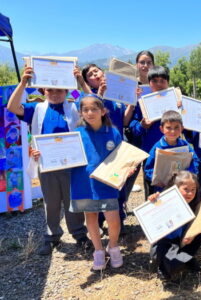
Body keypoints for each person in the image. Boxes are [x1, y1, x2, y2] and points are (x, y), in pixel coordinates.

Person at [7, 67, 89, 255]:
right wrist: (23, 83)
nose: (54, 93)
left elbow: (94, 101)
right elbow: (12, 107)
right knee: (51, 203)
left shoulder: (75, 107)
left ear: (67, 91)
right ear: (44, 91)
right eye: (50, 89)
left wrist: (80, 81)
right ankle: (52, 237)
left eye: (59, 90)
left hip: (72, 165)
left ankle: (79, 235)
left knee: (73, 201)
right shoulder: (36, 108)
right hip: (46, 164)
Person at [69, 94, 131, 270]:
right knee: (91, 218)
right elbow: (64, 156)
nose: (90, 112)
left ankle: (113, 247)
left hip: (107, 183)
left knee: (113, 219)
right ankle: (98, 251)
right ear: (80, 113)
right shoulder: (76, 134)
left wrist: (128, 167)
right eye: (85, 109)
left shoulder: (113, 132)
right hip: (84, 183)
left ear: (103, 111)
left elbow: (122, 158)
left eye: (94, 109)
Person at [81, 63, 131, 235]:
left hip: (117, 145)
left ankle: (119, 221)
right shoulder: (87, 97)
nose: (95, 75)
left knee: (118, 183)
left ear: (103, 72)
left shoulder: (118, 95)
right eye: (90, 75)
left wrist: (132, 102)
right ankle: (100, 222)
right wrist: (99, 93)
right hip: (98, 146)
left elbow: (124, 121)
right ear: (88, 81)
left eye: (96, 71)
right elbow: (79, 102)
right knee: (100, 183)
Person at [148, 171, 201, 280]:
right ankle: (162, 265)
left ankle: (187, 258)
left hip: (182, 240)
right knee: (173, 266)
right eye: (186, 189)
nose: (190, 193)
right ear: (176, 188)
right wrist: (153, 199)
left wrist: (192, 235)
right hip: (165, 241)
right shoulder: (164, 200)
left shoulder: (194, 204)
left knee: (199, 234)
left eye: (193, 190)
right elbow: (151, 212)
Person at [129, 66, 174, 199]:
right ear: (149, 83)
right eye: (154, 81)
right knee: (151, 194)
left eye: (162, 80)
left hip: (173, 152)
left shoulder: (175, 101)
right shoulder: (142, 103)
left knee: (172, 190)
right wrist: (142, 125)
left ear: (168, 82)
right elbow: (133, 127)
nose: (159, 84)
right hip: (151, 154)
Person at [144, 110, 199, 194]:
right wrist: (155, 179)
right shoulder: (158, 147)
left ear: (182, 128)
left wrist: (189, 174)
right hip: (161, 188)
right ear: (161, 129)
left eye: (176, 127)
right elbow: (148, 168)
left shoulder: (185, 146)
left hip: (181, 188)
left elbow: (195, 161)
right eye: (168, 128)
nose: (173, 131)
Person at [124, 50, 155, 197]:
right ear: (136, 65)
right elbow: (125, 119)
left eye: (149, 62)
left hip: (153, 138)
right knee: (128, 175)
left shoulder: (158, 84)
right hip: (134, 137)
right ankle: (121, 205)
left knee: (152, 177)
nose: (145, 65)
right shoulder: (129, 86)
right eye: (142, 62)